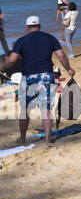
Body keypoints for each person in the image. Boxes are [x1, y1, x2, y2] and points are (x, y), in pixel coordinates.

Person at [4, 16, 74, 145]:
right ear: (40, 26)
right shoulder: (50, 38)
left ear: (27, 27)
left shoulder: (21, 41)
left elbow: (12, 60)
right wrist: (69, 69)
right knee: (46, 110)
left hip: (29, 77)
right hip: (46, 76)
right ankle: (47, 140)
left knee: (25, 109)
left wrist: (2, 67)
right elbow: (61, 55)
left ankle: (22, 139)